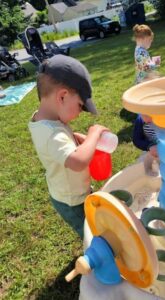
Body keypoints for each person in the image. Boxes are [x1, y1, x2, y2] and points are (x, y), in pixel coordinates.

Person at [28, 55, 108, 239]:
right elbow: (78, 161)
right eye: (80, 106)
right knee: (92, 234)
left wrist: (83, 139)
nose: (80, 113)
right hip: (72, 200)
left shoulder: (48, 120)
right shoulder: (51, 133)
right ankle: (96, 257)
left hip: (72, 191)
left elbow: (66, 139)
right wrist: (94, 134)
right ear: (62, 96)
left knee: (95, 223)